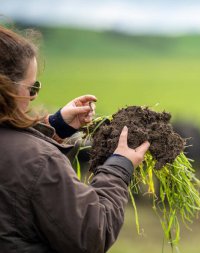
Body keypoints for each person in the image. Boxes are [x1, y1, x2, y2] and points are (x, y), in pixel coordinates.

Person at [0, 25, 150, 252]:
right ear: (6, 89)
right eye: (32, 88)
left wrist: (54, 126)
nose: (34, 96)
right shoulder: (41, 161)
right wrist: (119, 167)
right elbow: (92, 234)